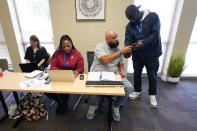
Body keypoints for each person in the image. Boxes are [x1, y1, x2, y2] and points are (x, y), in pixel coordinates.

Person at [86, 30, 133, 122]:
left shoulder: (118, 49)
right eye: (113, 38)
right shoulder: (100, 47)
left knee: (129, 88)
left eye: (116, 37)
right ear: (107, 39)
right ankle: (93, 106)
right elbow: (105, 60)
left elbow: (121, 64)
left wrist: (122, 71)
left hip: (113, 74)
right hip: (98, 73)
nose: (116, 39)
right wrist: (121, 52)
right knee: (91, 87)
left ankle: (116, 106)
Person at [124, 5, 162, 107]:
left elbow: (155, 35)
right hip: (138, 55)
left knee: (152, 76)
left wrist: (143, 42)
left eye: (133, 18)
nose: (132, 21)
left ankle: (152, 95)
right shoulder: (129, 26)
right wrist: (127, 50)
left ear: (138, 11)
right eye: (130, 19)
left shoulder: (153, 17)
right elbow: (128, 40)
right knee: (136, 74)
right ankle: (137, 90)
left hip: (152, 54)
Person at [45, 35, 84, 114]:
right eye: (64, 47)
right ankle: (61, 102)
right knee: (46, 89)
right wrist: (62, 72)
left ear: (71, 44)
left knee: (64, 92)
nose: (66, 48)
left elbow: (81, 68)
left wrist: (77, 71)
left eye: (68, 46)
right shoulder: (57, 53)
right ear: (61, 46)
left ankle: (62, 103)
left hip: (71, 77)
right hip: (59, 75)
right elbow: (53, 66)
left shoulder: (77, 54)